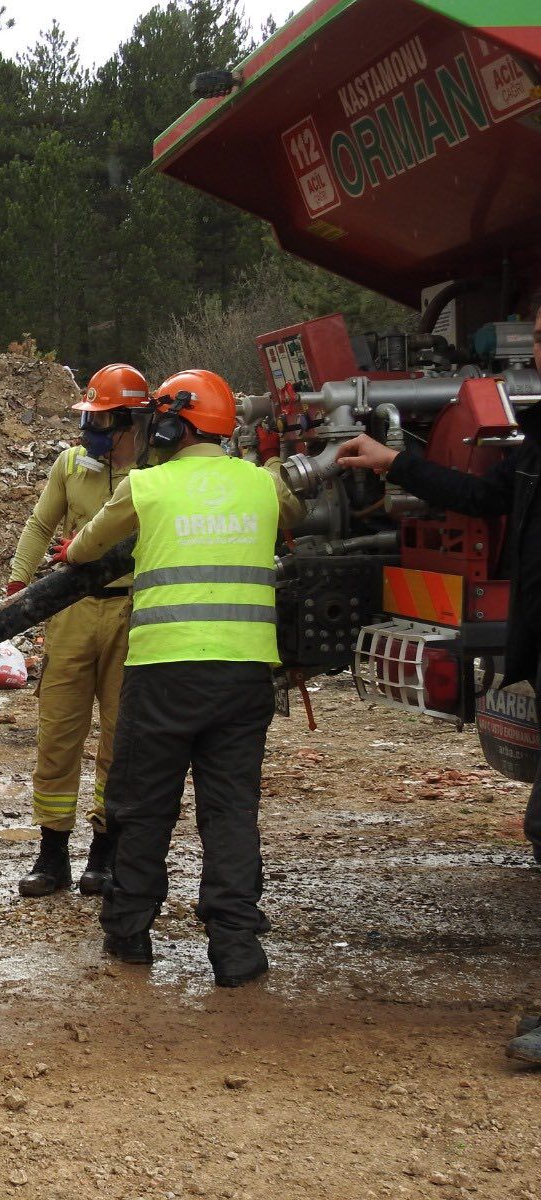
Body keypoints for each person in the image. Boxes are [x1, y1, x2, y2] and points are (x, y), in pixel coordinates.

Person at [334, 304, 541, 1056]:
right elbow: (487, 500)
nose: (540, 353)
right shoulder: (535, 446)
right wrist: (398, 466)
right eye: (539, 340)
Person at [62, 369, 304, 988]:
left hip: (163, 671)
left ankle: (130, 932)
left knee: (143, 807)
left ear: (172, 424)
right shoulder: (262, 485)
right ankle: (237, 950)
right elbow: (298, 515)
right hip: (245, 674)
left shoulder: (146, 486)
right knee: (230, 812)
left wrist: (76, 548)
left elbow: (84, 551)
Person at [5, 364, 151, 899]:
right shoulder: (70, 466)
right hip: (72, 610)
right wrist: (20, 579)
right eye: (86, 418)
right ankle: (52, 855)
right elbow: (41, 524)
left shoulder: (155, 473)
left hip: (132, 614)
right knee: (59, 734)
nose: (90, 430)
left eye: (100, 420)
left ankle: (104, 854)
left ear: (130, 421)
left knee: (120, 737)